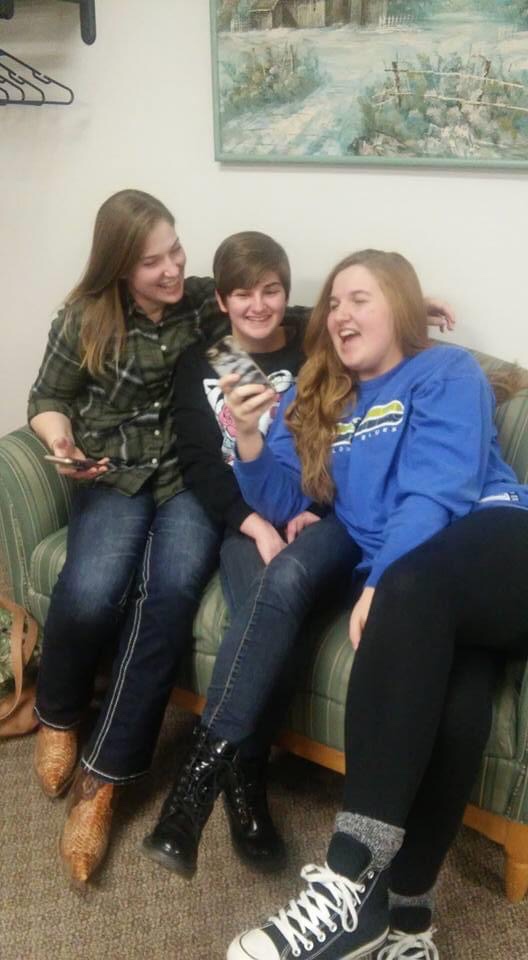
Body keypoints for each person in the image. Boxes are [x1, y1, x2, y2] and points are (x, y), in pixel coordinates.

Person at [221, 249, 528, 960]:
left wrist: (382, 578)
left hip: (500, 541)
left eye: (360, 298)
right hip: (440, 604)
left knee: (411, 590)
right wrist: (249, 439)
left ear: (401, 305)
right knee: (457, 697)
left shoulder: (444, 371)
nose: (340, 314)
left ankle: (345, 884)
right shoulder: (317, 401)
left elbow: (440, 488)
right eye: (334, 303)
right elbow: (287, 499)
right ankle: (407, 923)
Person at [28, 189, 235, 884]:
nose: (172, 269)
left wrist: (397, 309)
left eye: (175, 251)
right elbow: (46, 399)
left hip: (186, 476)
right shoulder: (83, 318)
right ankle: (59, 714)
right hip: (109, 471)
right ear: (120, 266)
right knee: (93, 589)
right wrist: (59, 441)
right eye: (152, 262)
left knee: (169, 597)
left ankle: (101, 781)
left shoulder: (202, 303)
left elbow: (279, 311)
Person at [142, 231, 361, 877]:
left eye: (271, 291)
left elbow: (360, 336)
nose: (258, 305)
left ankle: (225, 778)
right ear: (222, 300)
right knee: (263, 612)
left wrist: (411, 307)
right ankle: (247, 782)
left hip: (303, 510)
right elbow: (199, 464)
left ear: (287, 294)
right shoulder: (211, 361)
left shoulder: (313, 345)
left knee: (271, 613)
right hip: (243, 519)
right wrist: (252, 524)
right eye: (242, 294)